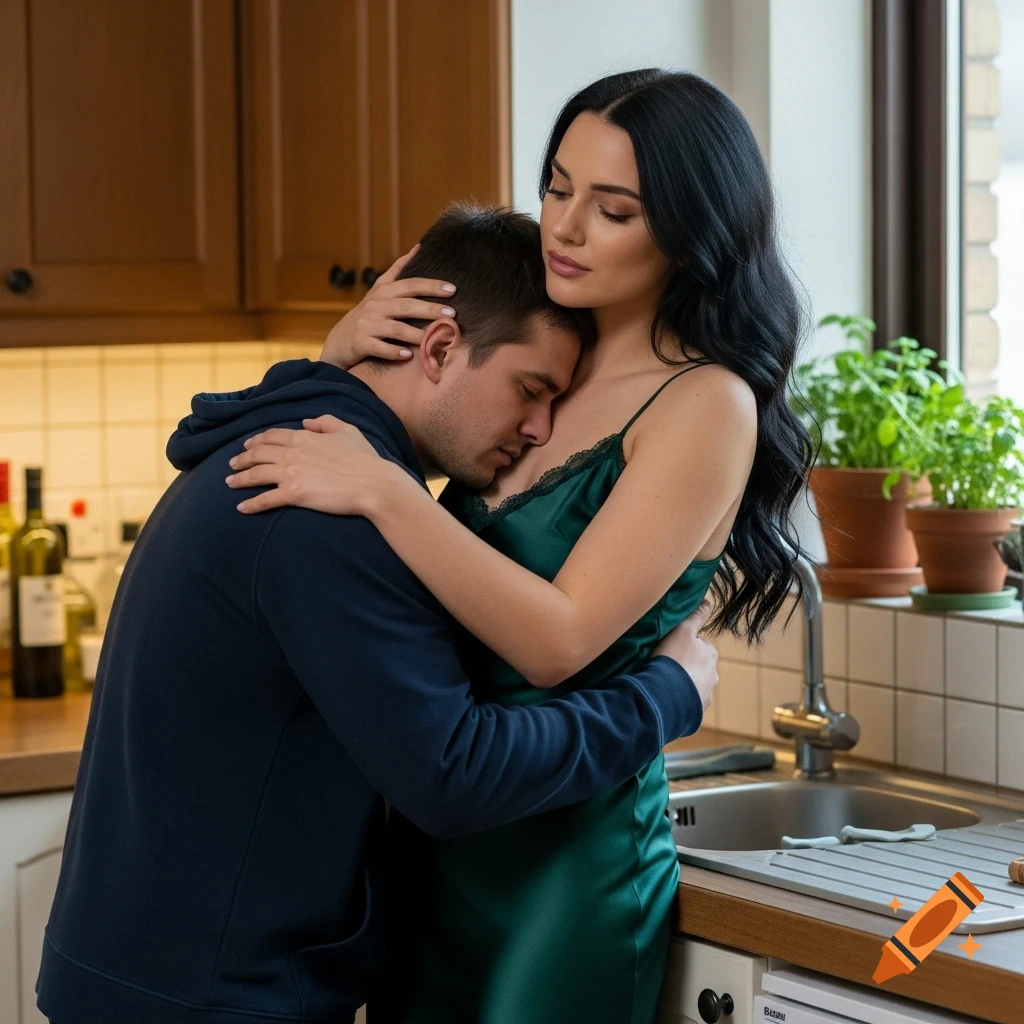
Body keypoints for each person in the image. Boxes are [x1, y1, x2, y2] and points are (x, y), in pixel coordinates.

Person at [34, 205, 720, 1024]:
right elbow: (454, 772)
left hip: (149, 978)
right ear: (436, 349)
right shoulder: (326, 512)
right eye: (530, 391)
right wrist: (666, 695)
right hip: (211, 1000)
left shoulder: (289, 436)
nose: (537, 430)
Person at [225, 69, 813, 1024]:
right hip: (432, 836)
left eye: (612, 208)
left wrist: (388, 494)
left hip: (562, 871)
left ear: (690, 230)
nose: (565, 227)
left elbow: (558, 639)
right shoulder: (540, 345)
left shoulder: (704, 402)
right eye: (557, 186)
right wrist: (340, 363)